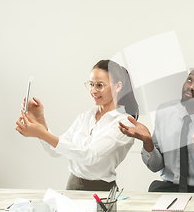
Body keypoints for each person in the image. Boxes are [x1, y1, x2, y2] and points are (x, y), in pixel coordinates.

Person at [15, 60, 139, 191]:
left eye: (100, 85)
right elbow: (55, 150)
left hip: (101, 190)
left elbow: (89, 156)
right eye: (91, 84)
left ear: (118, 86)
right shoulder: (85, 117)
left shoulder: (125, 122)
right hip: (72, 185)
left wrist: (41, 133)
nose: (93, 91)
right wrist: (40, 121)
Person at [118, 66, 194, 196]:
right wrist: (148, 142)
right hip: (167, 189)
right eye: (189, 80)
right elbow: (155, 166)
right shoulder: (165, 112)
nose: (191, 87)